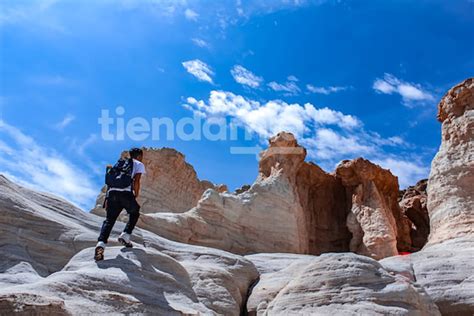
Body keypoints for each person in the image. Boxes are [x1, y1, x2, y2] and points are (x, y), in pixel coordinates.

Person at [94, 148, 146, 261]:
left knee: (109, 220)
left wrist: (107, 198)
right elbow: (137, 180)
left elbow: (111, 181)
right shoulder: (138, 164)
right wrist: (135, 194)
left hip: (112, 194)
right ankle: (126, 235)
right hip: (125, 194)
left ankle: (101, 244)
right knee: (135, 212)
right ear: (139, 156)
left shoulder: (120, 164)